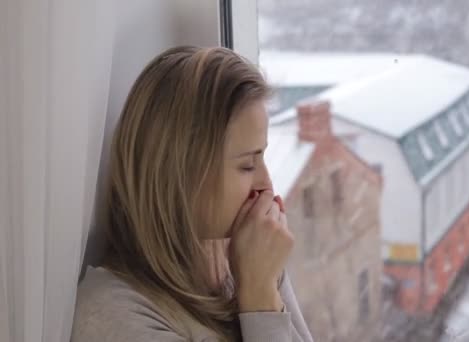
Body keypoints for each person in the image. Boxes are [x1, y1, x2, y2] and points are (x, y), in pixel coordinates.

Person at [72, 46, 313, 342]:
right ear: (182, 174)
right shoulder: (110, 315)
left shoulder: (248, 260)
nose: (267, 184)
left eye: (262, 156)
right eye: (247, 165)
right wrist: (259, 297)